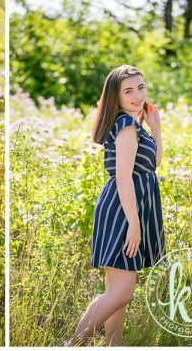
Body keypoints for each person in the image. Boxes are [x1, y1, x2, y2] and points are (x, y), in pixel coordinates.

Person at [67, 65, 164, 345]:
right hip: (124, 209)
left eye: (141, 88)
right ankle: (70, 344)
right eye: (128, 91)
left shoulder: (136, 125)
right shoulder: (126, 126)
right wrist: (133, 224)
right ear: (116, 97)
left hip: (129, 206)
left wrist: (155, 128)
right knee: (121, 293)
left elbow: (152, 164)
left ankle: (113, 345)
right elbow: (123, 177)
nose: (137, 95)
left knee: (117, 292)